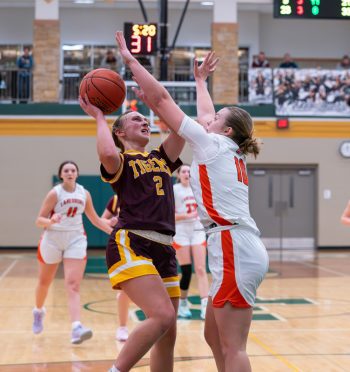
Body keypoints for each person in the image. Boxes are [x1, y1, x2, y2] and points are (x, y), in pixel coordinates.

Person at [115, 31, 269, 372]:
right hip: (231, 242)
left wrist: (131, 62)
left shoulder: (212, 145)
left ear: (224, 131)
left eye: (215, 120)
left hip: (233, 244)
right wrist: (201, 82)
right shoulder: (222, 145)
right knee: (213, 337)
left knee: (233, 346)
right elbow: (205, 116)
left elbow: (161, 99)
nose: (207, 120)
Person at [79, 76, 185, 370]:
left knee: (168, 332)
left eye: (145, 119)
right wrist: (100, 117)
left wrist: (158, 106)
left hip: (165, 248)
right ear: (120, 131)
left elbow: (181, 129)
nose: (144, 121)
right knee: (162, 316)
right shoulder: (121, 160)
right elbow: (107, 152)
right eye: (136, 119)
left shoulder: (161, 158)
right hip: (132, 242)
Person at [33, 161, 112, 344]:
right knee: (44, 283)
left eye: (73, 170)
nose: (70, 173)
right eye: (66, 170)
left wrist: (113, 231)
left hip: (75, 239)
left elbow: (95, 220)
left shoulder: (84, 193)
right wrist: (51, 220)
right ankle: (38, 311)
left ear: (77, 174)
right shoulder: (55, 193)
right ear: (61, 175)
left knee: (73, 285)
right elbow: (39, 220)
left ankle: (76, 327)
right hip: (52, 238)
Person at [173, 164, 209, 320]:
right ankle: (182, 303)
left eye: (189, 171)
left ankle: (205, 306)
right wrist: (185, 216)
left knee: (201, 269)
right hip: (181, 231)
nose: (187, 173)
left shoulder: (198, 188)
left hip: (197, 230)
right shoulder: (174, 190)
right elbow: (168, 214)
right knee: (186, 271)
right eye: (184, 171)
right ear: (178, 174)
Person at [101, 195, 131, 342]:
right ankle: (123, 326)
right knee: (125, 289)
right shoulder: (115, 199)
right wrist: (110, 222)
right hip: (122, 245)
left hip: (143, 243)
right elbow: (102, 220)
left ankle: (152, 324)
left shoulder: (144, 195)